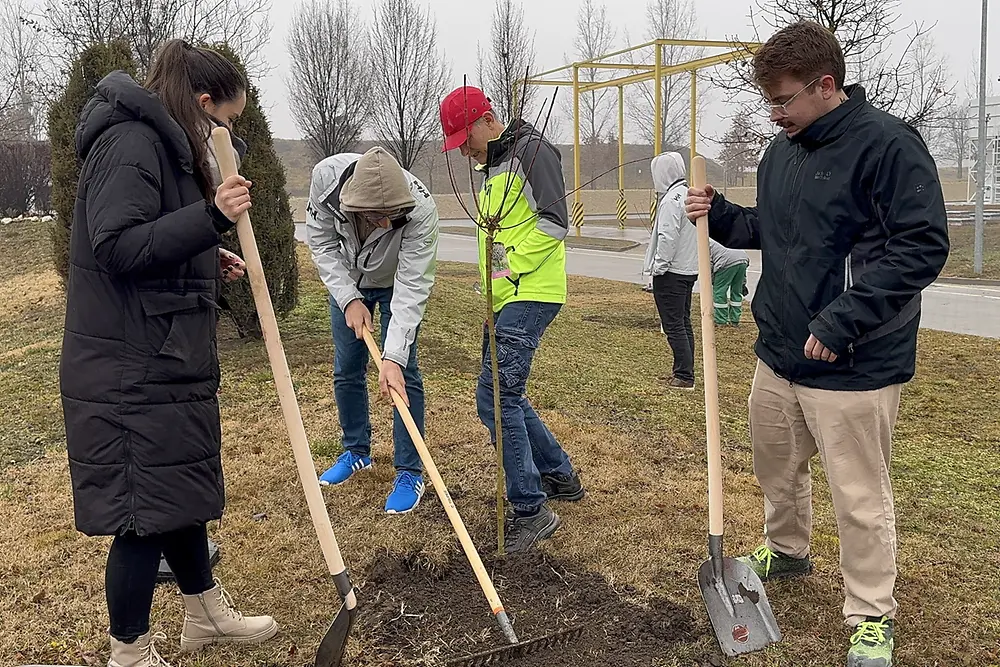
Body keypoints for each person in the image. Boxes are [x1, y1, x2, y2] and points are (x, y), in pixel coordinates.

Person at [684, 21, 949, 667]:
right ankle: (791, 549)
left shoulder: (888, 146)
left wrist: (841, 322)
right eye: (769, 103)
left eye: (784, 100)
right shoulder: (784, 151)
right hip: (780, 352)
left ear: (826, 84)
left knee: (859, 497)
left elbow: (921, 247)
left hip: (855, 361)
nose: (774, 115)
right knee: (777, 465)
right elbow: (774, 232)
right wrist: (721, 214)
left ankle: (870, 615)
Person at [60, 40, 278, 667]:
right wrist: (210, 218)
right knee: (139, 515)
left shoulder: (168, 145)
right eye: (226, 122)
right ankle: (128, 651)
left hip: (162, 357)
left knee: (175, 490)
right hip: (126, 367)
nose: (227, 135)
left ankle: (204, 613)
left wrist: (206, 259)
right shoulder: (129, 142)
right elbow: (117, 248)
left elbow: (157, 239)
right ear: (202, 103)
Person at [439, 85, 584, 553]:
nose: (465, 148)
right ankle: (559, 474)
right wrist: (494, 279)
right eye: (457, 142)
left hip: (531, 293)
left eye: (467, 136)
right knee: (507, 393)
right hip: (502, 296)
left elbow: (555, 223)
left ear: (489, 117)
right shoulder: (492, 167)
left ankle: (531, 509)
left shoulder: (532, 152)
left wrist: (512, 265)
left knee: (495, 397)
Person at [305, 147, 439, 515]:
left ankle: (410, 471)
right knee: (347, 367)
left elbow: (413, 286)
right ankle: (356, 451)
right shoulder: (326, 180)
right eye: (378, 217)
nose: (386, 224)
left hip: (396, 281)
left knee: (404, 373)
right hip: (347, 280)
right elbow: (320, 243)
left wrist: (393, 357)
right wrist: (349, 298)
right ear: (355, 205)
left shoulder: (421, 210)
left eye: (393, 217)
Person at [642, 151, 699, 390]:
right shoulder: (689, 196)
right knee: (684, 322)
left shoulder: (669, 201)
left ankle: (684, 376)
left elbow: (667, 236)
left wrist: (658, 267)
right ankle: (686, 370)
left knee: (673, 324)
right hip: (689, 270)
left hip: (671, 273)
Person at [708, 239, 750, 327]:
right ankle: (735, 320)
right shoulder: (721, 236)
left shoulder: (706, 242)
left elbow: (709, 264)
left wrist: (713, 281)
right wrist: (743, 283)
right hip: (743, 259)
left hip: (725, 262)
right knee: (736, 292)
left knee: (720, 292)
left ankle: (721, 321)